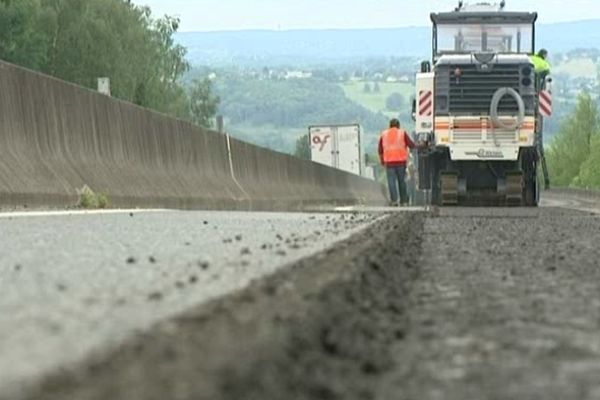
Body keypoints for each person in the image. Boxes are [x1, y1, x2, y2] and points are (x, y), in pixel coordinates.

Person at [378, 119, 424, 207]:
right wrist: (421, 146)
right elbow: (411, 145)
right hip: (400, 162)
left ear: (390, 125)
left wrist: (382, 161)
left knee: (391, 182)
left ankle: (394, 200)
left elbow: (380, 150)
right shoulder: (402, 133)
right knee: (402, 181)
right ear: (398, 125)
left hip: (389, 162)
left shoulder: (384, 134)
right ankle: (404, 201)